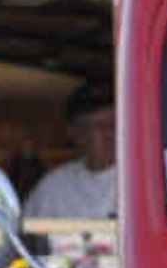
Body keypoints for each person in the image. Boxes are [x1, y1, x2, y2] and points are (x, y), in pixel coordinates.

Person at [27, 78, 118, 222]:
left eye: (111, 126)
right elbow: (24, 238)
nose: (107, 135)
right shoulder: (53, 187)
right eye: (92, 127)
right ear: (74, 133)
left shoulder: (142, 182)